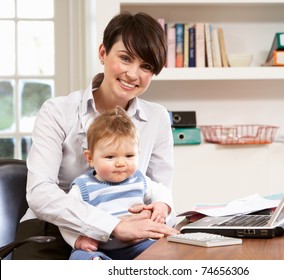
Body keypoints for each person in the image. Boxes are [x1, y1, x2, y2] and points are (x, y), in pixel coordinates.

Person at [13, 11, 177, 260]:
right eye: (125, 58)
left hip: (128, 232)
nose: (133, 74)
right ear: (103, 53)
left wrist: (158, 211)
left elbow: (160, 188)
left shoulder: (157, 118)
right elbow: (40, 193)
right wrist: (111, 225)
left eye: (145, 66)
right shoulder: (57, 111)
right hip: (54, 226)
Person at [59, 107, 175, 260]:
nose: (121, 163)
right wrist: (78, 240)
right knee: (79, 257)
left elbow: (161, 191)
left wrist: (162, 205)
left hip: (138, 245)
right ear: (90, 158)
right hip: (100, 248)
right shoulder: (83, 187)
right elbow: (67, 219)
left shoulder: (139, 180)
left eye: (129, 155)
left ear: (138, 153)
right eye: (110, 157)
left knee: (166, 248)